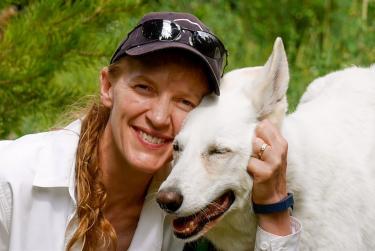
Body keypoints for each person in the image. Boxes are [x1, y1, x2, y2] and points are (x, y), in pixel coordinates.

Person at [0, 12, 300, 251]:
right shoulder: (11, 176)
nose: (158, 117)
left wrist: (274, 205)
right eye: (143, 88)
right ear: (107, 87)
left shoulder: (189, 208)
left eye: (185, 101)